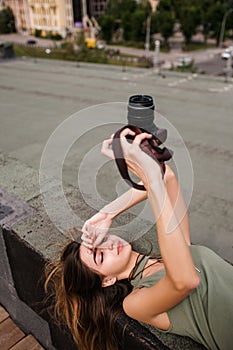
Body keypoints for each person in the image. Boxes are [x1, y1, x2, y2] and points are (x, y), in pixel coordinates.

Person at [45, 128, 233, 350]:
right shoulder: (135, 303)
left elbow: (167, 177)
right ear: (107, 280)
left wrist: (108, 212)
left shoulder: (177, 250)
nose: (107, 245)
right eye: (99, 255)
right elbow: (185, 281)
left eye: (100, 241)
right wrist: (151, 179)